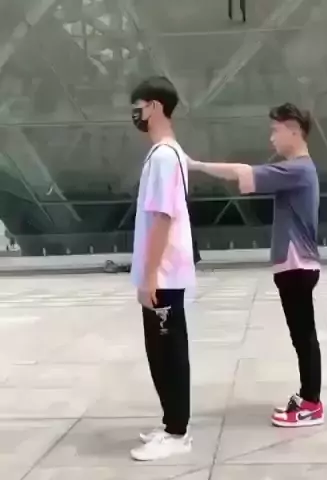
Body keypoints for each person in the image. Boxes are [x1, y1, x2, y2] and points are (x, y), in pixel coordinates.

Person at [189, 103, 323, 428]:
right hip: (294, 265)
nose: (271, 138)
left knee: (304, 336)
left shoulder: (298, 169)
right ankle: (308, 397)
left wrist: (196, 165)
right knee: (301, 335)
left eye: (276, 130)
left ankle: (311, 404)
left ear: (294, 130)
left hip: (297, 265)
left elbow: (241, 171)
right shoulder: (296, 170)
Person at [129, 76, 195, 460]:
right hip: (162, 272)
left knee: (168, 352)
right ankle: (171, 422)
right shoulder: (167, 154)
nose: (135, 115)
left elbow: (163, 217)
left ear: (154, 106)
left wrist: (151, 275)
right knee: (160, 350)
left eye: (138, 107)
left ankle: (177, 433)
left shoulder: (165, 157)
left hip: (164, 274)